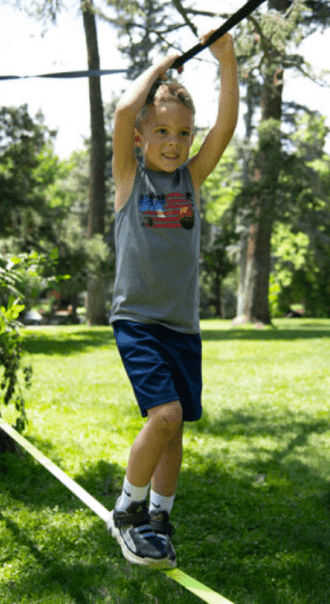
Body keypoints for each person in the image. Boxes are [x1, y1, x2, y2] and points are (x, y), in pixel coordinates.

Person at [105, 30, 239, 569]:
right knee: (164, 415)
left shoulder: (191, 178)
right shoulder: (129, 179)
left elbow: (226, 127)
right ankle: (128, 511)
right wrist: (163, 66)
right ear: (140, 137)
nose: (173, 141)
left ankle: (160, 515)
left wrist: (226, 61)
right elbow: (121, 111)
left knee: (175, 426)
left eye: (183, 133)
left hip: (182, 327)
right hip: (137, 321)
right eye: (160, 130)